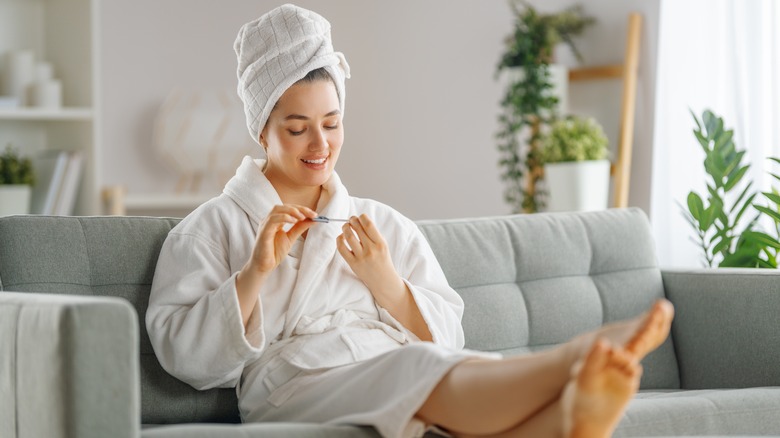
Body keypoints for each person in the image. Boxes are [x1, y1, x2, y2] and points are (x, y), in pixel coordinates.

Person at [146, 4, 674, 438]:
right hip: (291, 385)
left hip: (389, 363)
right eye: (298, 128)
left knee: (436, 389)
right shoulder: (211, 228)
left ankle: (566, 422)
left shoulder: (380, 224)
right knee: (415, 372)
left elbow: (448, 336)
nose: (320, 144)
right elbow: (185, 356)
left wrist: (388, 284)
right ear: (263, 130)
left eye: (332, 123)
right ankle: (573, 360)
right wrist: (255, 273)